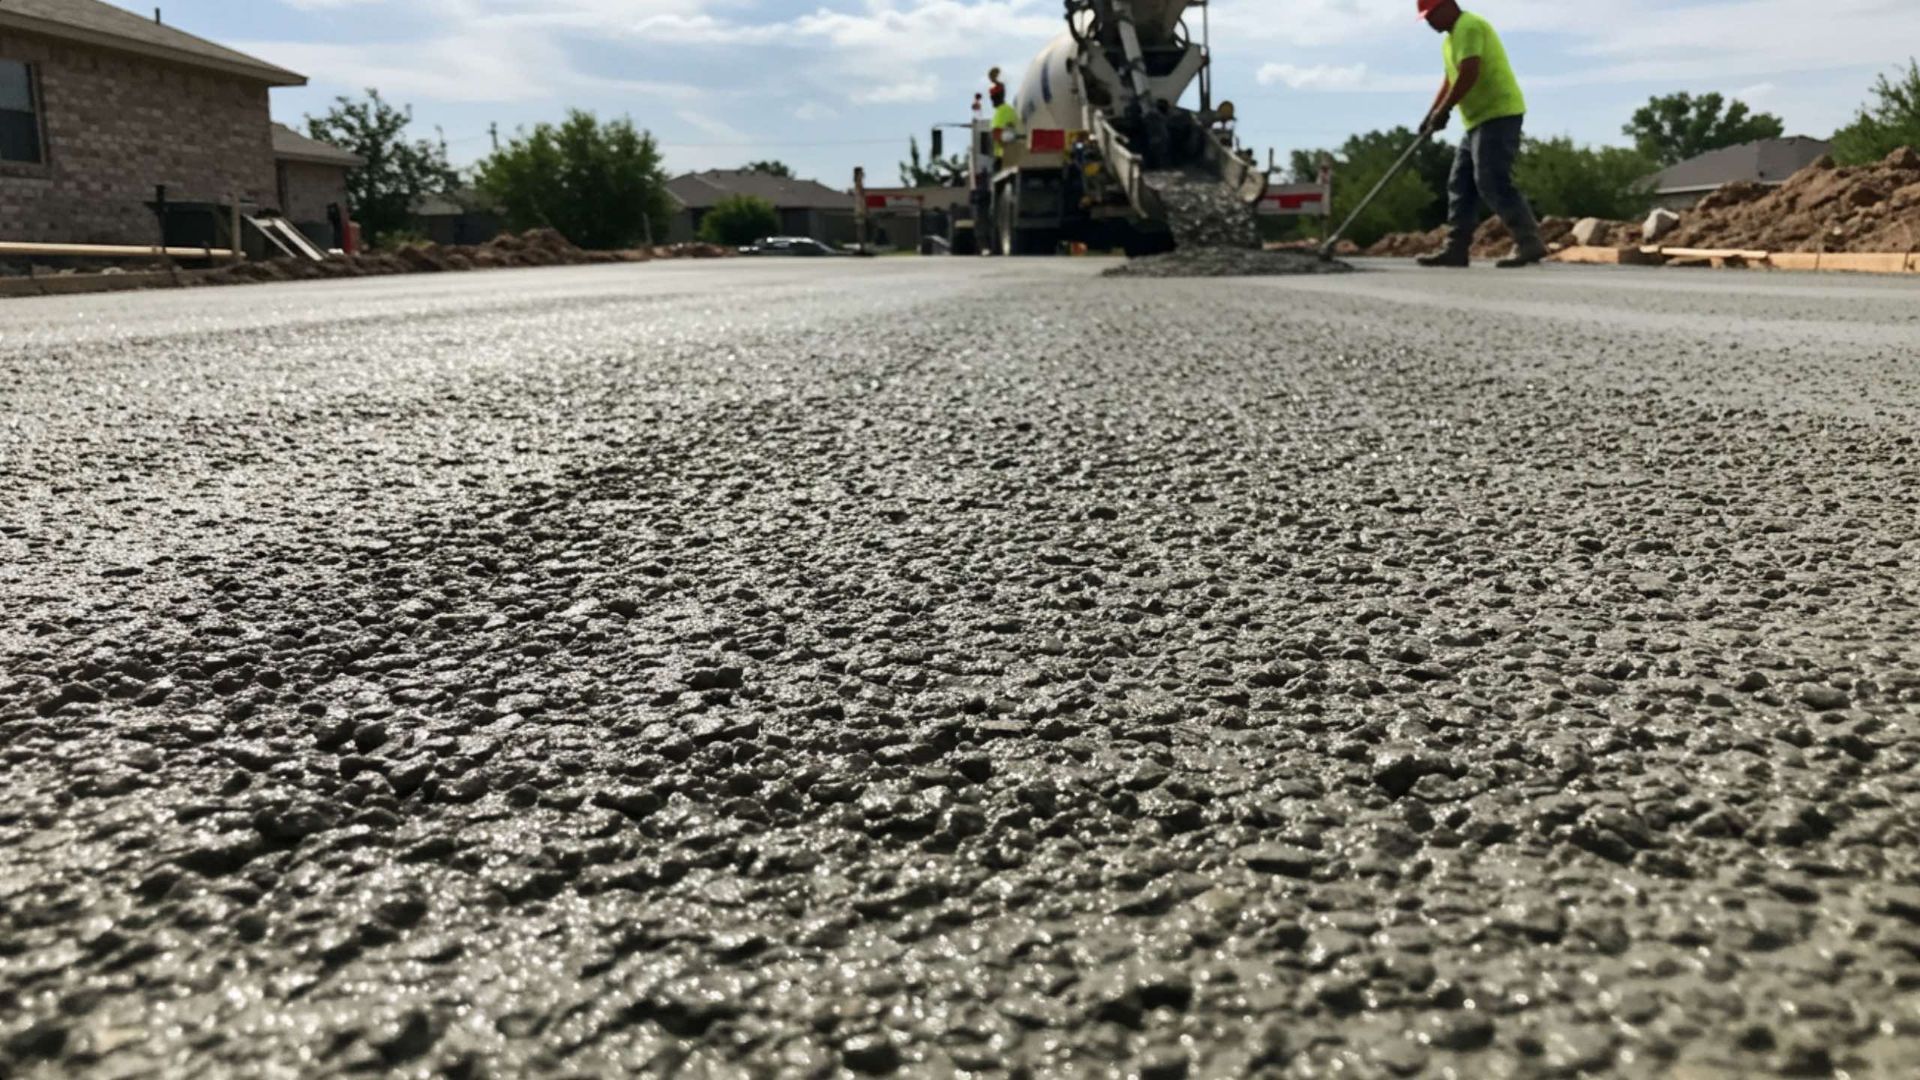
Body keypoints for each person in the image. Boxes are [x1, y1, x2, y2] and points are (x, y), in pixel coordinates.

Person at [1414, 0, 1545, 268]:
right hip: (1476, 120)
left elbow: (1469, 71)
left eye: (1431, 15)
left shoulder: (1469, 26)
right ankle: (1456, 249)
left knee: (1492, 179)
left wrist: (1446, 110)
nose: (1429, 22)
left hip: (1499, 113)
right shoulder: (1449, 41)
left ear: (1448, 5)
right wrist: (1431, 113)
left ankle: (1528, 242)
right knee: (1460, 183)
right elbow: (1450, 78)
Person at [989, 71, 1019, 163]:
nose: (992, 100)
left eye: (993, 98)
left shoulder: (1001, 111)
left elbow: (997, 134)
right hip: (1010, 155)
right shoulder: (1010, 110)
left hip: (1002, 157)